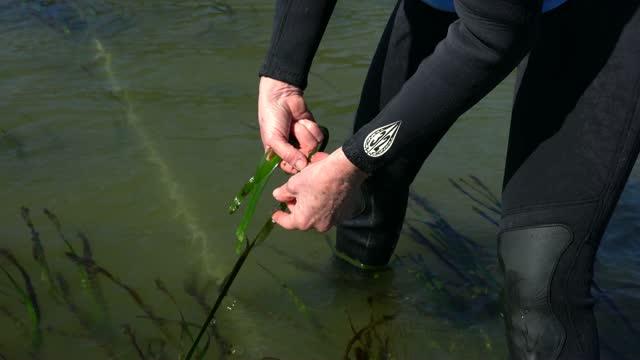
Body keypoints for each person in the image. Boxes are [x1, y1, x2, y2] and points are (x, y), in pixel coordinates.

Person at [256, 0, 640, 358]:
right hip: (448, 7)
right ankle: (358, 326)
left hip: (595, 14)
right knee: (366, 196)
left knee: (540, 277)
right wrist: (281, 76)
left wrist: (347, 165)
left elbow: (494, 36)